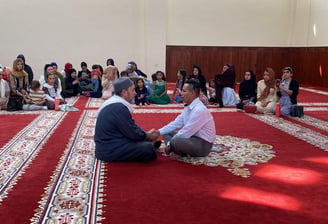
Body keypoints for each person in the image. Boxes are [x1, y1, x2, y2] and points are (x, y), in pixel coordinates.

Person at [94, 77, 158, 163]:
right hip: (108, 150)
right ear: (124, 92)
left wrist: (145, 134)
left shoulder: (115, 103)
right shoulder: (118, 107)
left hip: (109, 144)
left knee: (142, 140)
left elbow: (130, 126)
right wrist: (147, 136)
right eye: (132, 90)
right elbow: (132, 133)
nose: (135, 93)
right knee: (147, 148)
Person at [156, 79, 216, 159]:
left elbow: (186, 132)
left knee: (175, 141)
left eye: (184, 91)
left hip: (202, 144)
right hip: (191, 138)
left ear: (192, 93)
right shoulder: (189, 106)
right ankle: (176, 150)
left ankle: (178, 151)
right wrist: (157, 132)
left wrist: (170, 144)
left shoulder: (199, 110)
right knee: (166, 132)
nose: (181, 93)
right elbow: (176, 123)